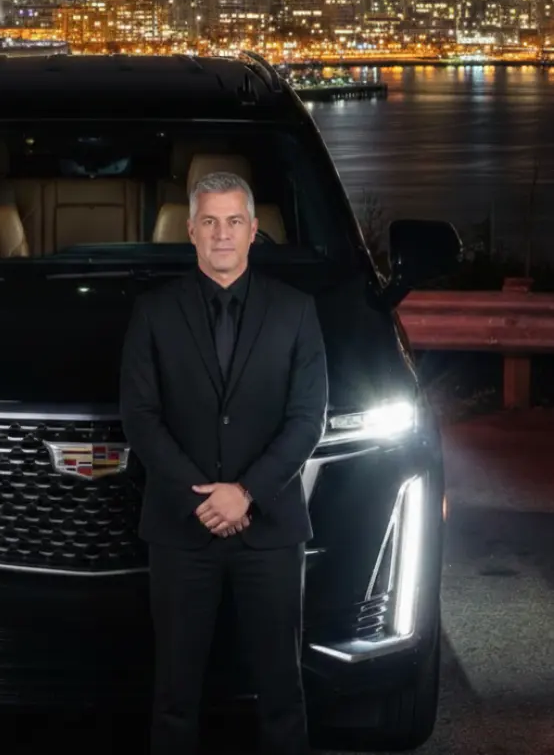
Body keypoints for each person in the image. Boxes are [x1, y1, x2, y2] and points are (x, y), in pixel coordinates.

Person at [119, 169, 328, 755]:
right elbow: (140, 416)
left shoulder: (297, 311)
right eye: (209, 221)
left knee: (282, 692)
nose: (221, 234)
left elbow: (307, 419)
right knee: (176, 696)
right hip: (181, 531)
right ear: (189, 230)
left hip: (272, 529)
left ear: (254, 231)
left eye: (234, 221)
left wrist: (248, 493)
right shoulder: (153, 314)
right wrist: (204, 496)